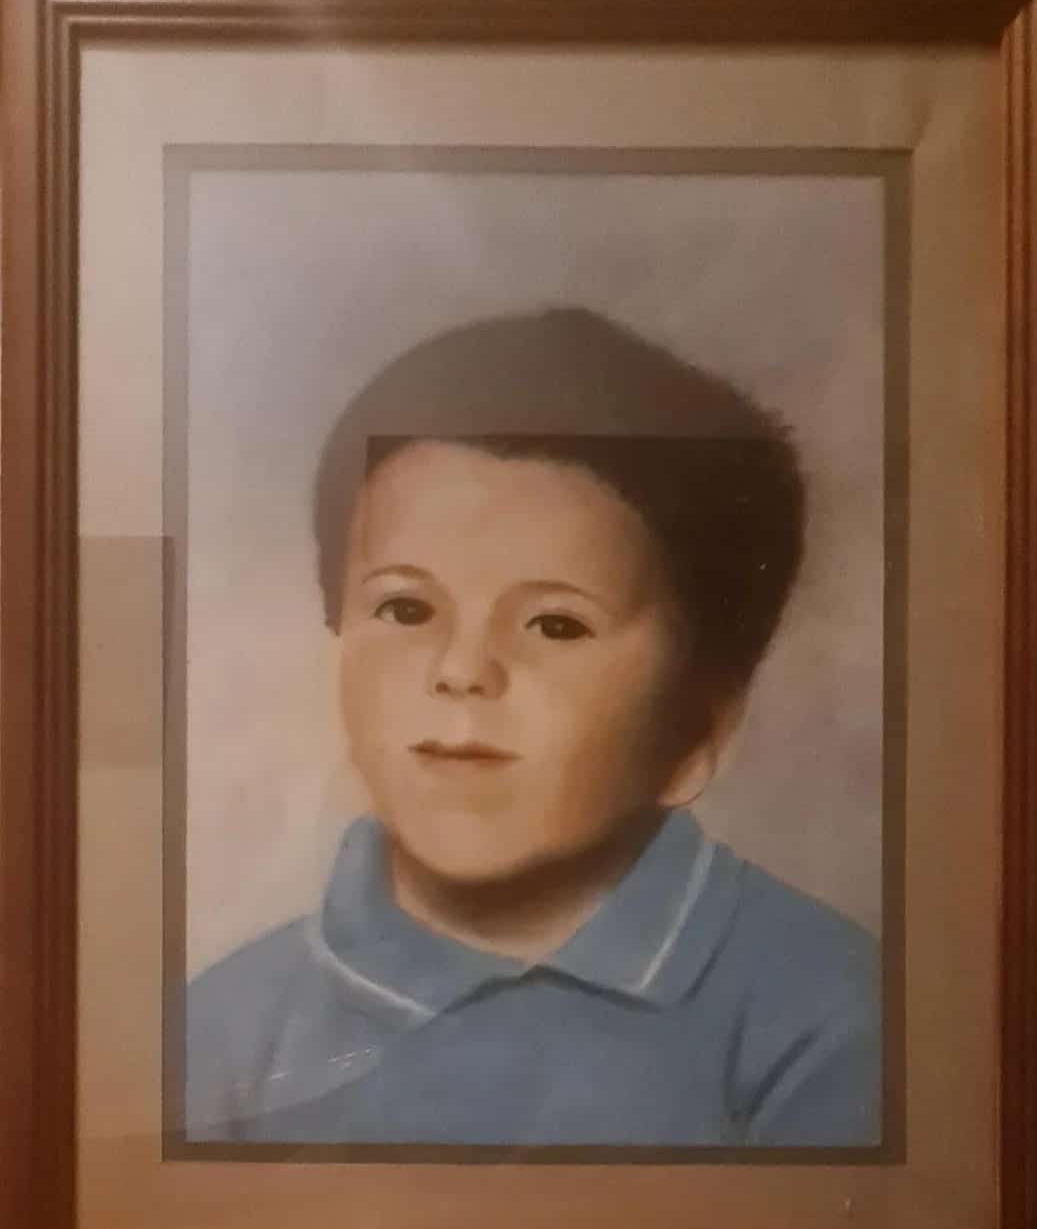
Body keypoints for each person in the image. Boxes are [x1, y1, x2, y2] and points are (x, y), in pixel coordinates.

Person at [185, 307, 880, 1148]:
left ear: (699, 728)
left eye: (554, 625)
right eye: (406, 607)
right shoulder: (222, 1031)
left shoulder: (829, 1020)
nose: (461, 669)